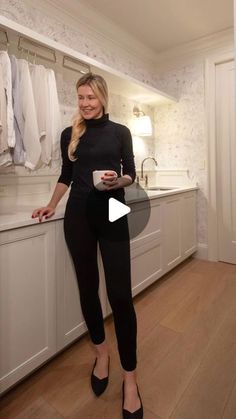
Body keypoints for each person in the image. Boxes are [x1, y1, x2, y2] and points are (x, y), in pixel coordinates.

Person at [32, 73, 143, 419]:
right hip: (77, 212)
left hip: (113, 209)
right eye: (80, 97)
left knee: (120, 295)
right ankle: (101, 353)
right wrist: (52, 204)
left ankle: (130, 379)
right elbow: (66, 174)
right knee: (87, 288)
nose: (85, 103)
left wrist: (117, 181)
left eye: (91, 97)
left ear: (103, 97)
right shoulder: (71, 134)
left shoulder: (120, 132)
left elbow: (131, 174)